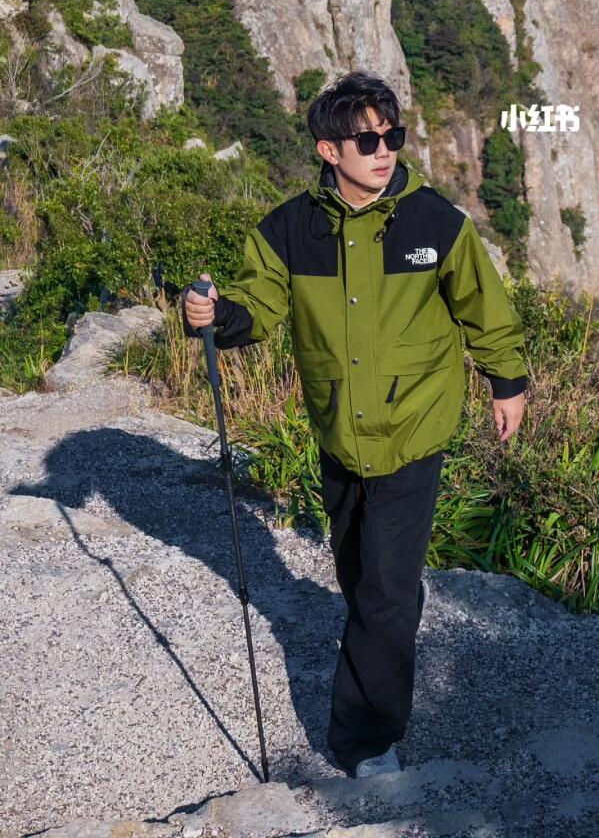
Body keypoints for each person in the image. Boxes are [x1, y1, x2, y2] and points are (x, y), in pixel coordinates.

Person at [181, 70, 529, 779]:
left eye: (392, 137)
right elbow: (256, 304)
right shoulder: (289, 230)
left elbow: (483, 307)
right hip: (340, 427)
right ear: (327, 150)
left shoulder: (435, 222)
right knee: (359, 575)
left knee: (386, 590)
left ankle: (367, 742)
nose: (384, 151)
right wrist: (215, 317)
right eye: (366, 140)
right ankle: (382, 633)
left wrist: (508, 380)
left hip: (415, 428)